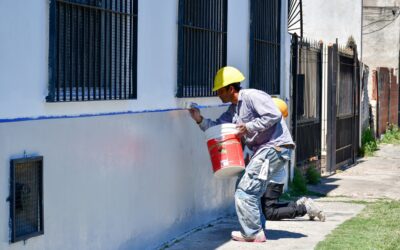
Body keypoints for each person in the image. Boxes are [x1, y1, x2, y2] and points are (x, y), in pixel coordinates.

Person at [189, 66, 295, 242]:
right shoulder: (233, 110)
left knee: (245, 191)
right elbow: (218, 129)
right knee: (248, 188)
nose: (218, 95)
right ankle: (257, 229)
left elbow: (274, 114)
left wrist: (248, 127)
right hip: (266, 150)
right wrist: (199, 119)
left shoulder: (252, 96)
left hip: (275, 147)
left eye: (220, 91)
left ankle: (253, 233)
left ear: (231, 89)